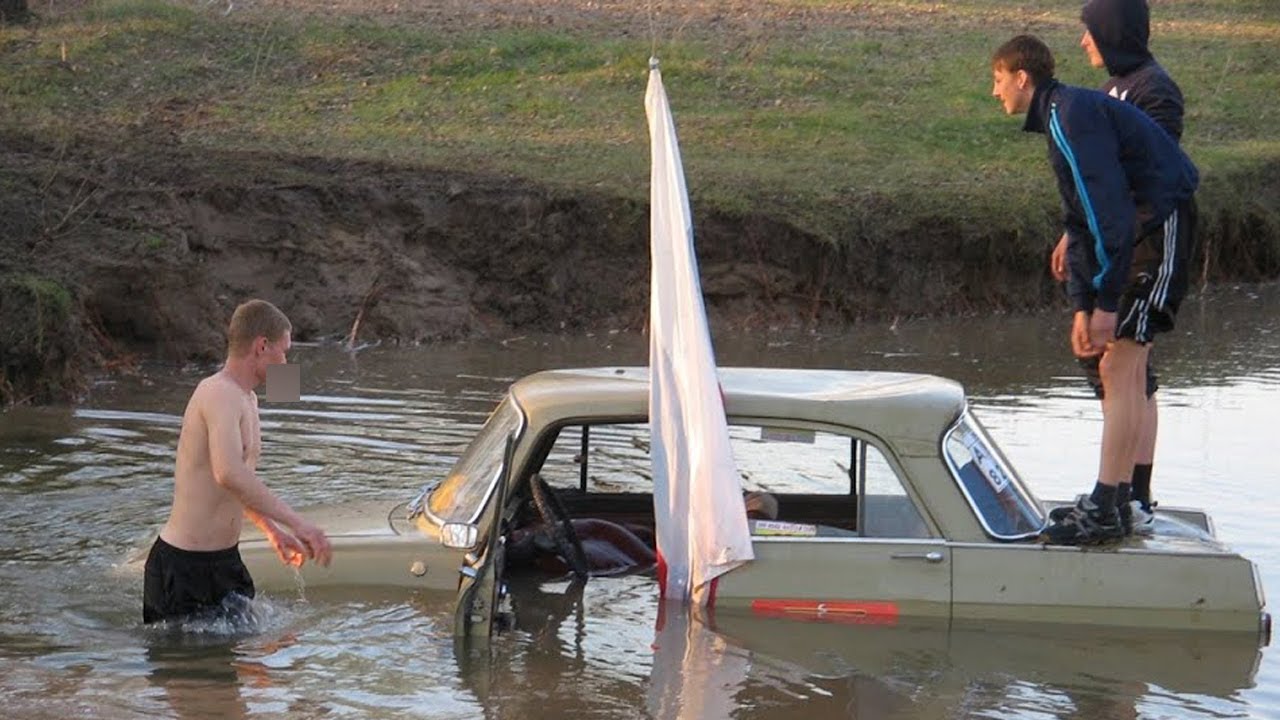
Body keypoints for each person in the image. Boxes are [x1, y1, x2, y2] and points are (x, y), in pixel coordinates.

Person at [990, 35, 1197, 544]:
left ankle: (1113, 504)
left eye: (997, 80)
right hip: (1145, 228)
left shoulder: (1070, 114)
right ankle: (1114, 499)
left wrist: (1105, 304)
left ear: (1022, 78)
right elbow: (1078, 216)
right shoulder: (1061, 115)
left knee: (1123, 363)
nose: (994, 92)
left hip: (1166, 224)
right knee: (1115, 365)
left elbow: (1110, 216)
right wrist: (1083, 304)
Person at [1047, 0, 1186, 532]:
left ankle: (1130, 495)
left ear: (1112, 32)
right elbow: (1097, 174)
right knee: (1125, 370)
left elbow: (1152, 169)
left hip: (1149, 237)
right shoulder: (1110, 90)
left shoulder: (1157, 89)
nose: (1084, 43)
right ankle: (1124, 493)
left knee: (1125, 366)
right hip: (1117, 237)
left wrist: (1108, 236)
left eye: (1089, 32)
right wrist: (1073, 232)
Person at [143, 299, 332, 624]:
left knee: (246, 666)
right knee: (193, 672)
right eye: (284, 352)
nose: (287, 362)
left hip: (226, 562)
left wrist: (273, 532)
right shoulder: (217, 393)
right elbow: (227, 473)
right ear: (261, 346)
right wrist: (299, 523)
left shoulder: (250, 398)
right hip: (183, 566)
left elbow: (240, 483)